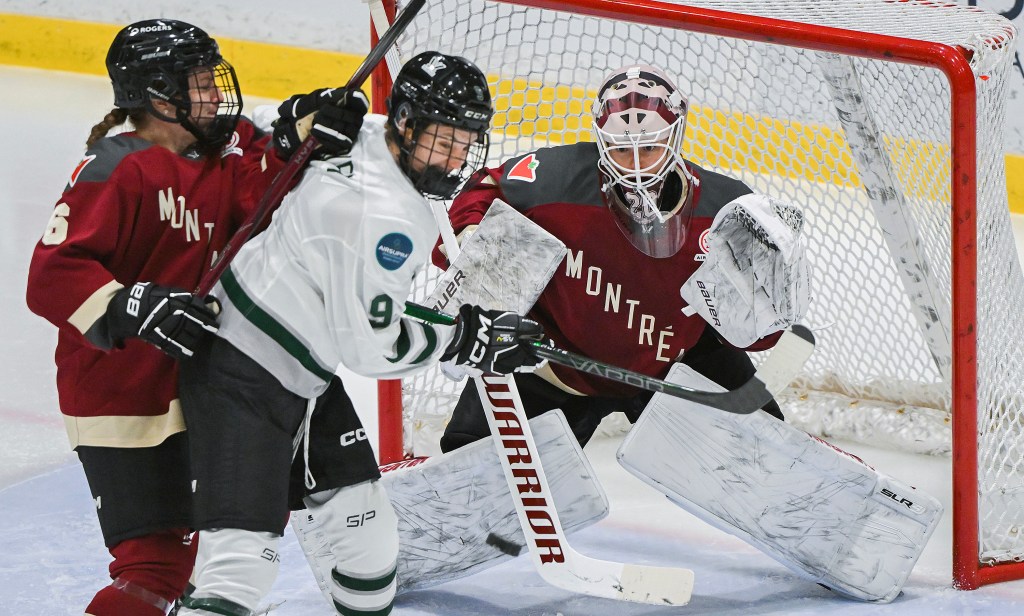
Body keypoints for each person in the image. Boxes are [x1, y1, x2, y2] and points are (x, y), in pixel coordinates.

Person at [174, 51, 545, 616]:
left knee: (367, 542)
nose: (455, 157)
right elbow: (371, 349)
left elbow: (356, 315)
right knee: (241, 566)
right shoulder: (391, 220)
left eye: (466, 141)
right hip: (240, 369)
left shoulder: (360, 133)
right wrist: (466, 339)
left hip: (302, 367)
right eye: (443, 139)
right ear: (407, 124)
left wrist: (300, 118)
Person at [24, 19, 366, 616]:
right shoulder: (116, 166)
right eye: (200, 82)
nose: (215, 92)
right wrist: (128, 304)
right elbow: (51, 273)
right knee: (152, 572)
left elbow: (264, 181)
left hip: (197, 383)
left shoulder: (220, 148)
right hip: (121, 395)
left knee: (227, 546)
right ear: (158, 96)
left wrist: (308, 131)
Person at [434, 63, 811, 453]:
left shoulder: (725, 208)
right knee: (473, 474)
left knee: (764, 460)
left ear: (675, 135)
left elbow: (759, 334)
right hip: (553, 366)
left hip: (672, 368)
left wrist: (766, 311)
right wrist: (470, 233)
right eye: (618, 148)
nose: (633, 163)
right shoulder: (557, 179)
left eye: (648, 147)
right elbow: (485, 186)